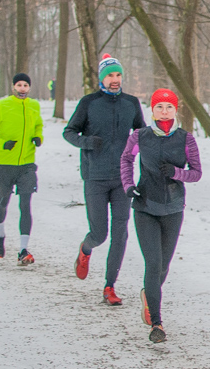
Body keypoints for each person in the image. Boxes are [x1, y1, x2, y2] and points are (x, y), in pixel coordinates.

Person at [120, 88, 202, 343]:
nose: (164, 111)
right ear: (152, 110)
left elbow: (197, 173)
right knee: (153, 264)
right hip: (145, 206)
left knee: (163, 267)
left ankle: (149, 293)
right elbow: (126, 160)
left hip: (173, 208)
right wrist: (128, 185)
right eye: (159, 107)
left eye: (168, 107)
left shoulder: (186, 139)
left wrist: (177, 173)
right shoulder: (140, 136)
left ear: (175, 110)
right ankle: (157, 323)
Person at [65, 54, 146, 305]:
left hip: (123, 178)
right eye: (110, 75)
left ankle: (109, 286)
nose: (115, 80)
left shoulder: (131, 103)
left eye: (118, 75)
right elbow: (69, 132)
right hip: (95, 177)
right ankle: (86, 249)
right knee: (100, 233)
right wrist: (87, 142)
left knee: (120, 233)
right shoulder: (89, 103)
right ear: (102, 78)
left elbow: (141, 133)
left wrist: (136, 150)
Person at [0, 73, 44, 264]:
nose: (22, 88)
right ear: (13, 87)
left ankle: (23, 250)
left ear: (29, 88)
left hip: (27, 164)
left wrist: (38, 137)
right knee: (2, 202)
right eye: (19, 85)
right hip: (5, 165)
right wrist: (1, 144)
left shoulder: (34, 105)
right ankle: (0, 235)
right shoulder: (1, 105)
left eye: (26, 85)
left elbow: (38, 125)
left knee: (25, 205)